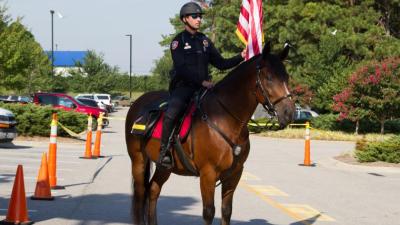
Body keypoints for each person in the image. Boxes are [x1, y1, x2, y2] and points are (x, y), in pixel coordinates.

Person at [157, 2, 247, 168]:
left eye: (200, 16)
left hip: (204, 89)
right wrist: (202, 82)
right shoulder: (178, 42)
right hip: (184, 87)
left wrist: (240, 56)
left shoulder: (204, 41)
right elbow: (181, 69)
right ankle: (164, 151)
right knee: (171, 112)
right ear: (185, 19)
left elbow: (221, 63)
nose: (199, 19)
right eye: (195, 16)